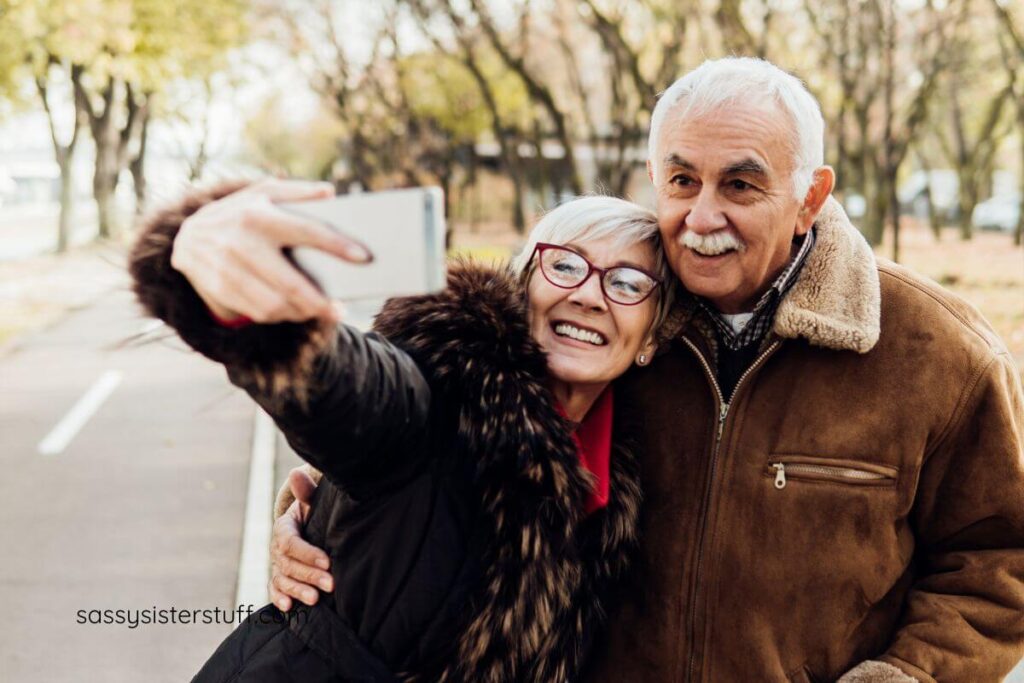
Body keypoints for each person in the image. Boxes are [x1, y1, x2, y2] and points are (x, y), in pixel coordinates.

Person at [272, 58, 1024, 682]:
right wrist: (328, 515)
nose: (701, 216)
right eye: (681, 180)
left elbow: (998, 562)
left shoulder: (936, 354)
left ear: (810, 197)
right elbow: (451, 445)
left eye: (741, 184)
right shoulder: (614, 327)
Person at [128, 184, 676, 682]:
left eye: (628, 282)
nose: (588, 295)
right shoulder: (441, 387)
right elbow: (351, 388)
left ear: (651, 334)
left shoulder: (628, 488)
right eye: (565, 266)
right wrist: (244, 302)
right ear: (522, 284)